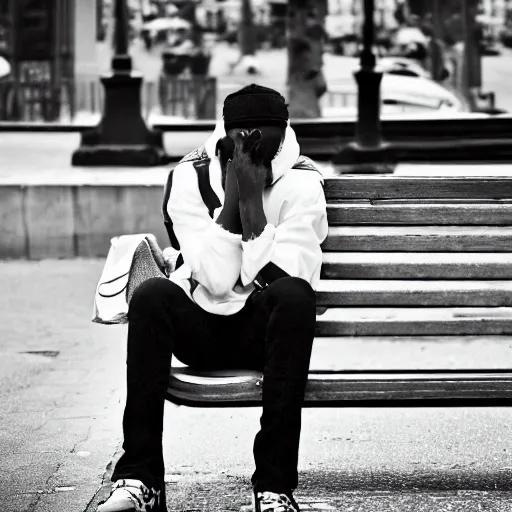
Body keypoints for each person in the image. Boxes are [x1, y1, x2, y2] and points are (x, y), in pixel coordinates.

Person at [96, 84, 329, 512]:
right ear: (225, 132)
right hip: (200, 330)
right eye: (243, 137)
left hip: (265, 336)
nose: (254, 148)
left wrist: (253, 204)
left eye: (265, 138)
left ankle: (274, 487)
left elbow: (289, 275)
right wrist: (232, 203)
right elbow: (217, 280)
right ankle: (139, 478)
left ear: (283, 133)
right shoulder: (189, 177)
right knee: (151, 296)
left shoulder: (303, 182)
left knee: (294, 297)